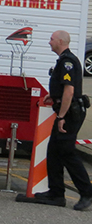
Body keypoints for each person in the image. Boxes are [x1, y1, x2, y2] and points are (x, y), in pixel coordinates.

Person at [29, 30, 92, 210]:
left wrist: (62, 117)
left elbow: (69, 91)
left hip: (70, 114)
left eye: (51, 39)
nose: (49, 42)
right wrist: (53, 95)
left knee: (67, 152)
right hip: (67, 111)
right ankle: (56, 193)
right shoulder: (64, 60)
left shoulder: (67, 62)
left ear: (61, 41)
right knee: (54, 152)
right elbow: (63, 89)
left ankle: (86, 192)